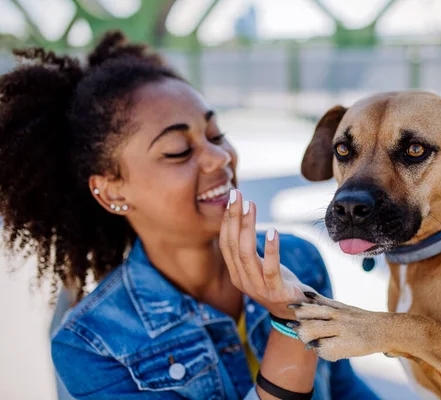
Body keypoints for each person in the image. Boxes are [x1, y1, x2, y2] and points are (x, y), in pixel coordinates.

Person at [0, 31, 378, 400]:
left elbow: (345, 389)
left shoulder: (299, 260)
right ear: (112, 189)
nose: (221, 157)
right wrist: (290, 322)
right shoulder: (91, 346)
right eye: (179, 151)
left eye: (215, 135)